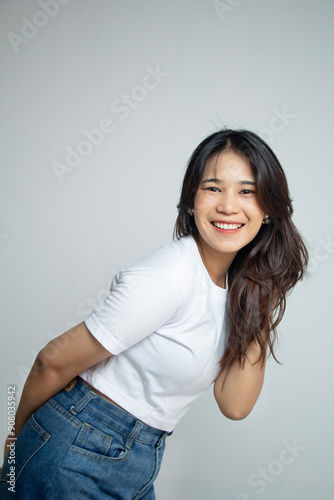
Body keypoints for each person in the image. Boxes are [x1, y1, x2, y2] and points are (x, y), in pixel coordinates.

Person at [0, 129, 308, 499]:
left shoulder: (235, 289)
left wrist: (260, 302)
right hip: (76, 445)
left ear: (269, 208)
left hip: (136, 457)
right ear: (191, 201)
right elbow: (51, 360)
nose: (228, 205)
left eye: (246, 190)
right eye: (213, 188)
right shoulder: (169, 276)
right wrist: (14, 444)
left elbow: (235, 404)